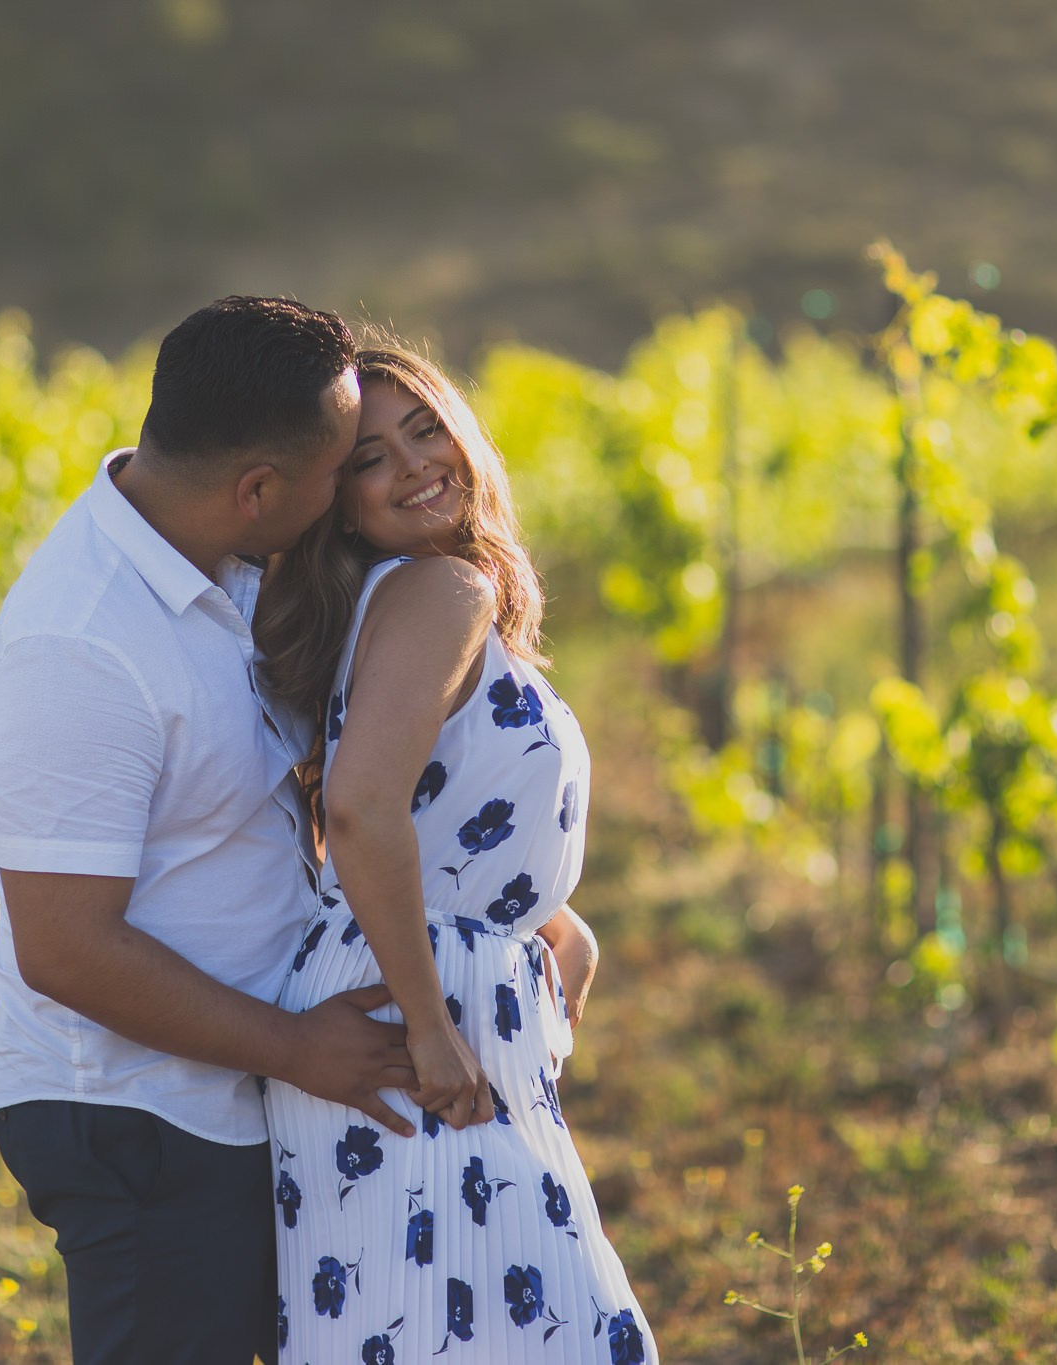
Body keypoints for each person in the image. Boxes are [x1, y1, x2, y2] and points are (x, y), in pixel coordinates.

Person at [0, 296, 422, 1365]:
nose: (343, 495)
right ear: (257, 488)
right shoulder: (79, 647)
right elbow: (67, 946)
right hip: (140, 1113)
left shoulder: (228, 563)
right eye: (336, 471)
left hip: (227, 1088)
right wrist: (300, 1048)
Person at [256, 343, 656, 1364]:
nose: (413, 465)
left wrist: (552, 923)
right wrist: (430, 1025)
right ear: (341, 503)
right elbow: (357, 808)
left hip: (434, 988)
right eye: (371, 459)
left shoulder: (408, 597)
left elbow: (438, 803)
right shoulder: (439, 589)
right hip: (417, 1008)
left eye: (424, 429)